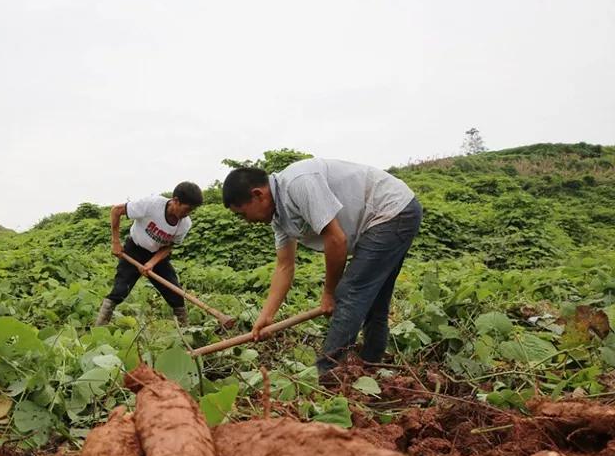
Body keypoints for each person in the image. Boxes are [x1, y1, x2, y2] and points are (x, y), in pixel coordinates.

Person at [222, 158, 422, 375]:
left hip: (391, 211)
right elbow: (284, 267)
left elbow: (336, 240)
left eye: (242, 214)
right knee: (373, 300)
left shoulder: (298, 182)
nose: (246, 221)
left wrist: (329, 293)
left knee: (349, 293)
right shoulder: (279, 218)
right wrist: (267, 316)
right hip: (388, 216)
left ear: (258, 194)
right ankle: (371, 367)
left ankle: (327, 374)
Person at [94, 181, 203, 326]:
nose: (188, 214)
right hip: (134, 250)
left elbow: (168, 247)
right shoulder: (151, 205)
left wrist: (152, 263)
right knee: (120, 290)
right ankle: (99, 326)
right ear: (175, 201)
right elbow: (116, 211)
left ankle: (186, 329)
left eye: (192, 211)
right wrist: (115, 242)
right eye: (187, 209)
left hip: (158, 257)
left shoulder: (185, 224)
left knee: (176, 294)